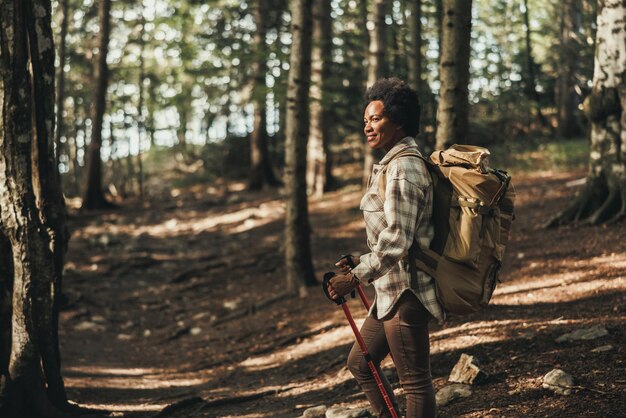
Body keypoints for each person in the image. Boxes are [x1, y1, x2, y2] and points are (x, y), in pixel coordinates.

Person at [327, 78, 443, 418]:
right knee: (362, 364)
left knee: (415, 381)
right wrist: (358, 261)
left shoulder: (404, 167)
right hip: (390, 292)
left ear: (399, 120)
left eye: (375, 118)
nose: (367, 126)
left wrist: (356, 277)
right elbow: (392, 234)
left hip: (408, 293)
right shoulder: (392, 164)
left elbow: (399, 239)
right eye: (365, 120)